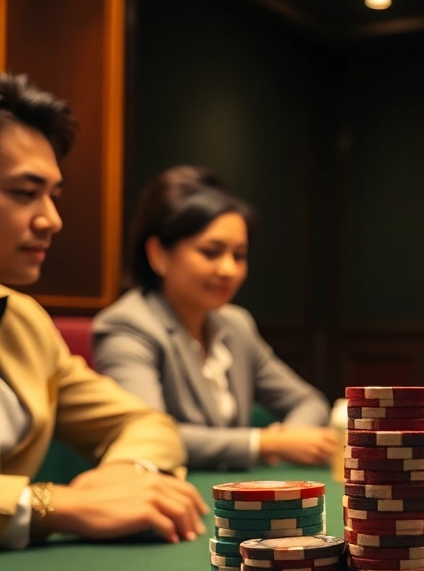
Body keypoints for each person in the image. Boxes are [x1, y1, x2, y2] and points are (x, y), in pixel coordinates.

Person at [0, 57, 206, 553]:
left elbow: (145, 422)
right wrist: (64, 505)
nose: (52, 220)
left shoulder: (20, 315)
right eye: (24, 193)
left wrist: (124, 474)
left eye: (53, 195)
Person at [92, 166, 333, 471]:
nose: (228, 270)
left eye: (239, 255)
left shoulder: (236, 324)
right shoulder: (127, 325)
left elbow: (308, 401)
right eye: (211, 252)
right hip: (167, 495)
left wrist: (291, 435)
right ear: (158, 254)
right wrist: (265, 443)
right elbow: (148, 435)